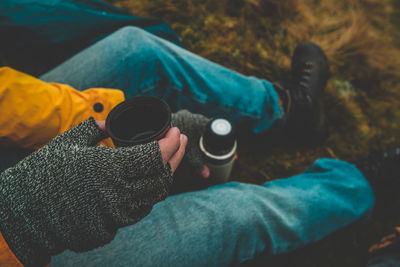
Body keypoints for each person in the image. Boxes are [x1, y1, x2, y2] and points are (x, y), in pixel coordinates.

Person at [0, 23, 380, 267]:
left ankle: (291, 111)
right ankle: (366, 183)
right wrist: (24, 216)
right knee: (231, 215)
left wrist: (113, 126)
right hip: (23, 248)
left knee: (138, 51)